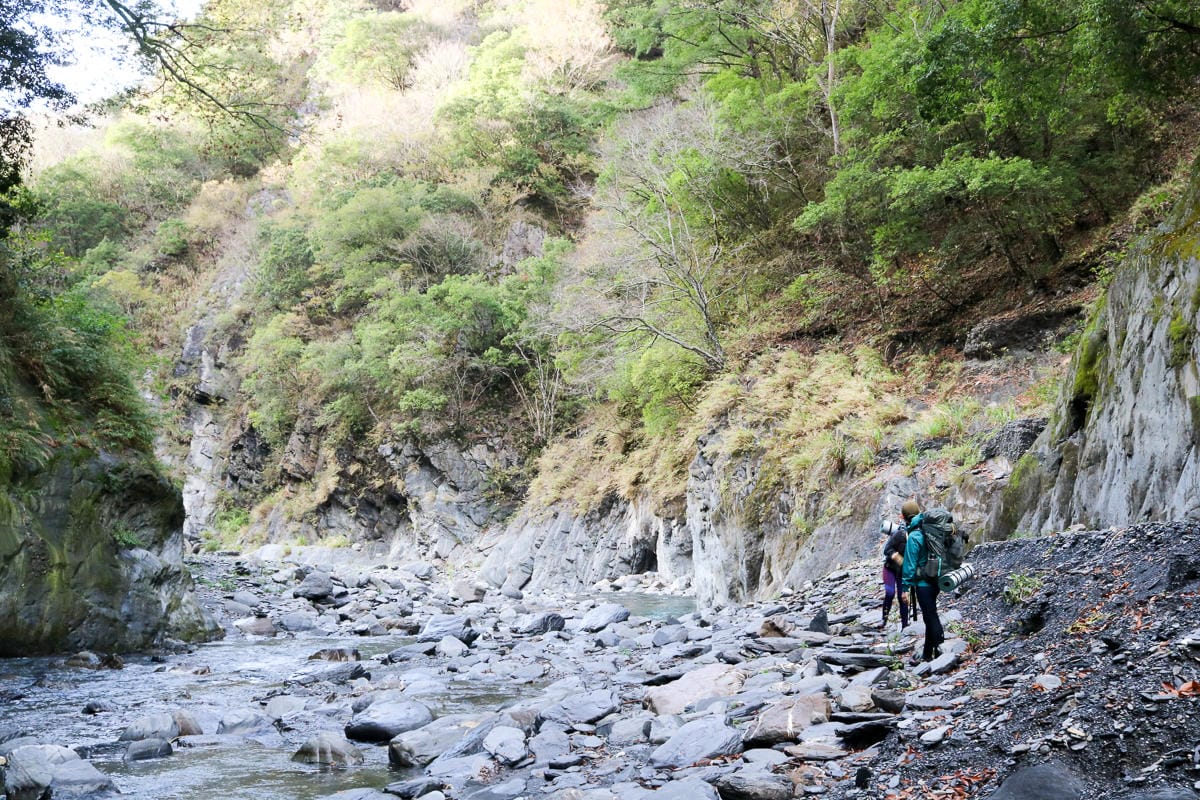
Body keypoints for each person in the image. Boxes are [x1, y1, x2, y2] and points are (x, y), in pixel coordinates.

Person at [900, 498, 944, 663]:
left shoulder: (915, 536)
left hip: (923, 583)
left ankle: (941, 649)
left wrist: (905, 588)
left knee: (930, 615)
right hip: (936, 579)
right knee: (929, 615)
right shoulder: (930, 529)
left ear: (904, 517)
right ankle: (927, 654)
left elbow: (909, 565)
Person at [881, 519, 909, 630]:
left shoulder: (917, 539)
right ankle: (884, 620)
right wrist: (894, 555)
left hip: (903, 572)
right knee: (890, 593)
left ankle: (905, 625)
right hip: (890, 568)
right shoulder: (899, 535)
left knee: (903, 597)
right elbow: (886, 549)